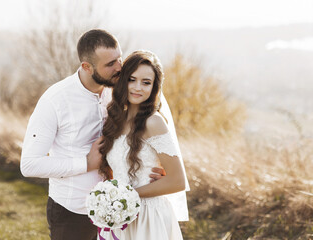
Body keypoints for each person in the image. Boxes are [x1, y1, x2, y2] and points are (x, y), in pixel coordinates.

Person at [20, 29, 166, 240]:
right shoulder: (55, 100)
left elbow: (144, 131)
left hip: (121, 211)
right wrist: (86, 163)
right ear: (87, 67)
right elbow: (29, 165)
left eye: (119, 59)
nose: (119, 68)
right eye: (110, 64)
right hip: (72, 213)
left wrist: (155, 167)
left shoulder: (121, 91)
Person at [99, 50, 189, 240]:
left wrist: (126, 197)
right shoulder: (116, 120)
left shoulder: (153, 122)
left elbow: (178, 181)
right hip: (120, 216)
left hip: (148, 217)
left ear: (154, 87)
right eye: (132, 79)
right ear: (123, 81)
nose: (138, 87)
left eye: (146, 82)